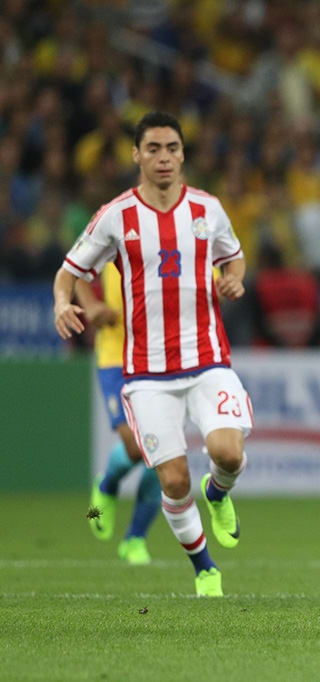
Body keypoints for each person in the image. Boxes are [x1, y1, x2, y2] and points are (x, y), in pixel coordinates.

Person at [53, 112, 252, 597]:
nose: (164, 158)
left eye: (172, 149)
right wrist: (67, 303)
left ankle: (219, 493)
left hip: (208, 360)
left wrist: (235, 279)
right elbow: (71, 271)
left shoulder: (208, 208)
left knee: (228, 454)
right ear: (136, 155)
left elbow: (233, 255)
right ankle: (204, 567)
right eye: (154, 149)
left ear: (183, 154)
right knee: (171, 477)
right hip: (145, 373)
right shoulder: (116, 215)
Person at [74, 264, 162, 564]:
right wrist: (92, 305)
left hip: (164, 357)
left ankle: (135, 539)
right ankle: (107, 485)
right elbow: (73, 271)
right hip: (116, 354)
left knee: (161, 453)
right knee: (137, 447)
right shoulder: (114, 225)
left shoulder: (176, 229)